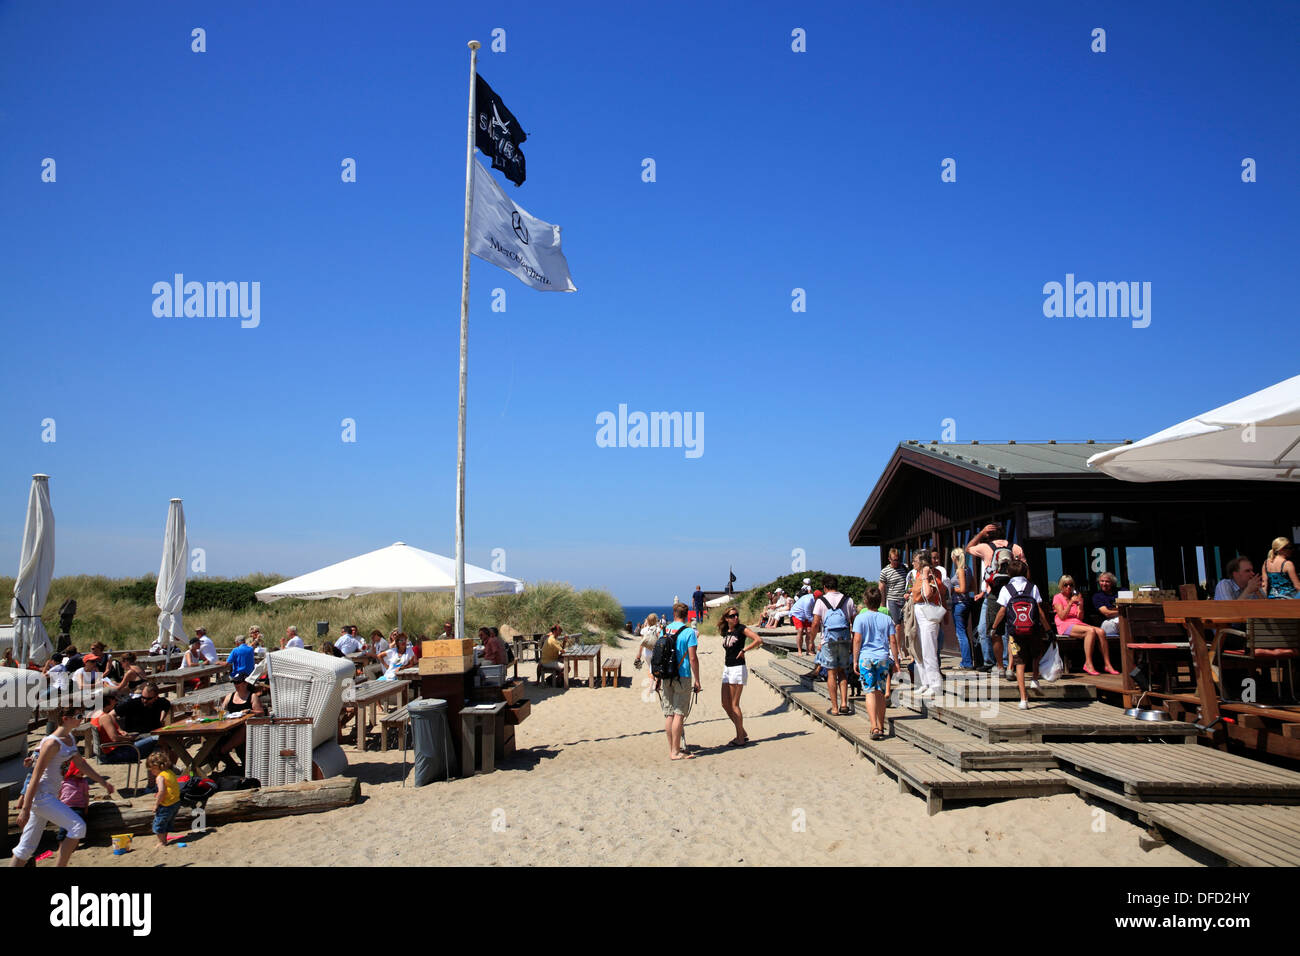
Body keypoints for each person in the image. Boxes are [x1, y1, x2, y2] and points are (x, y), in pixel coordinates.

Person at [10, 707, 116, 866]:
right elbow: (35, 776)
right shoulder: (52, 743)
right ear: (65, 719)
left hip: (50, 795)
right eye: (79, 716)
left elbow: (81, 765)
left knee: (25, 848)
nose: (82, 718)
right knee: (78, 827)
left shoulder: (70, 738)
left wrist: (102, 781)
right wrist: (25, 809)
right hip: (41, 796)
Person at [992, 560, 1055, 709]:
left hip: (1015, 632)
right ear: (1026, 572)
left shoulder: (1006, 589)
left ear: (1009, 573)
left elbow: (1002, 611)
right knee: (1035, 654)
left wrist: (994, 627)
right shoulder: (1032, 587)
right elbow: (1039, 611)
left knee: (1019, 663)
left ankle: (1023, 699)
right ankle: (1034, 678)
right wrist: (1048, 629)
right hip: (1033, 629)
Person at [967, 524, 1025, 674]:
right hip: (1013, 592)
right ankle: (1006, 664)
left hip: (994, 593)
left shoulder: (985, 547)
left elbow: (968, 548)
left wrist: (981, 532)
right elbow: (1025, 569)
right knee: (1007, 630)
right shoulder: (1016, 547)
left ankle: (996, 663)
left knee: (991, 629)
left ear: (989, 535)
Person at [853, 586, 900, 740]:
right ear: (880, 601)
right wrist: (896, 660)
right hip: (882, 657)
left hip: (866, 658)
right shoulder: (886, 618)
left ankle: (873, 726)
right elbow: (892, 640)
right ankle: (881, 725)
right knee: (880, 692)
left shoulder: (860, 618)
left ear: (865, 601)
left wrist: (854, 659)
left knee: (869, 691)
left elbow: (857, 639)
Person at [654, 603, 700, 760]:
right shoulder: (689, 632)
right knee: (679, 713)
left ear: (673, 614)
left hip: (666, 675)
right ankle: (675, 751)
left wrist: (657, 678)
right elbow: (693, 658)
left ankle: (673, 748)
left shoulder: (664, 630)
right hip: (683, 675)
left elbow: (659, 654)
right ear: (686, 615)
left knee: (669, 714)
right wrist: (698, 680)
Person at [811, 575, 857, 716]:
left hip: (828, 641)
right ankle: (844, 703)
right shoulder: (848, 600)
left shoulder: (821, 601)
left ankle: (835, 707)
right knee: (842, 671)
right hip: (844, 639)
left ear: (825, 587)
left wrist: (811, 640)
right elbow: (854, 621)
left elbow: (815, 623)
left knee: (831, 673)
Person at [1054, 575, 1117, 675]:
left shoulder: (1075, 597)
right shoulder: (1057, 597)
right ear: (1061, 586)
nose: (1068, 587)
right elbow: (1062, 616)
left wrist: (1080, 605)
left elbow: (1079, 618)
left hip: (1077, 623)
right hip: (1064, 624)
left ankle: (1107, 664)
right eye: (1066, 585)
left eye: (1071, 585)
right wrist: (1070, 603)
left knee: (1101, 632)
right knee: (1090, 631)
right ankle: (1088, 663)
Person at [718, 607, 762, 746]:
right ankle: (741, 732)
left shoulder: (741, 629)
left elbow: (757, 639)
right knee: (725, 704)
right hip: (727, 668)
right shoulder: (726, 631)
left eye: (737, 615)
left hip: (738, 668)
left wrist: (744, 650)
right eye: (732, 616)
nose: (735, 618)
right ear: (726, 618)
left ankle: (740, 738)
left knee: (734, 704)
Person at [910, 554, 948, 697]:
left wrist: (925, 576)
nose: (913, 563)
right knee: (919, 649)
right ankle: (925, 682)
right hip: (920, 613)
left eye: (915, 561)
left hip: (928, 614)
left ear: (921, 562)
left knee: (929, 650)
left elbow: (927, 593)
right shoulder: (917, 574)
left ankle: (935, 684)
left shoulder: (930, 574)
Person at [90, 692, 161, 761]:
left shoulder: (96, 715)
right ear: (109, 700)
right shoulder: (105, 717)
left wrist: (121, 732)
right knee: (158, 738)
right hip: (116, 753)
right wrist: (130, 739)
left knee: (153, 741)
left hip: (110, 753)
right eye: (114, 699)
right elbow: (114, 738)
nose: (116, 701)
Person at [949, 547, 978, 669]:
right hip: (966, 603)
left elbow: (963, 589)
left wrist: (951, 588)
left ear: (955, 558)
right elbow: (973, 587)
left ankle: (966, 662)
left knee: (961, 633)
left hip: (959, 603)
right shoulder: (968, 570)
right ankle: (968, 659)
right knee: (964, 632)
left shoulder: (960, 570)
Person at [146, 751, 181, 848]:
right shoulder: (170, 772)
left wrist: (156, 804)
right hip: (176, 802)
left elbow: (162, 791)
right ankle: (164, 839)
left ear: (156, 767)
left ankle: (162, 842)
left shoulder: (160, 777)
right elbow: (170, 786)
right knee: (168, 822)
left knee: (159, 823)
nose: (151, 772)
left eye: (151, 769)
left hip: (166, 804)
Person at [878, 549, 909, 638]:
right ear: (889, 559)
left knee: (907, 624)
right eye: (894, 560)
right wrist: (882, 605)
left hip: (905, 600)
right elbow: (881, 588)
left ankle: (906, 647)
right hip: (893, 600)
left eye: (898, 559)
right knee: (897, 625)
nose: (897, 562)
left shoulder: (904, 568)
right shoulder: (885, 572)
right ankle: (898, 649)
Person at [789, 587, 817, 654]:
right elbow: (808, 614)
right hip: (797, 613)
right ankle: (799, 650)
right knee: (800, 630)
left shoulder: (816, 600)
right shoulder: (808, 601)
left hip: (805, 614)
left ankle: (809, 650)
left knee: (809, 631)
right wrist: (815, 622)